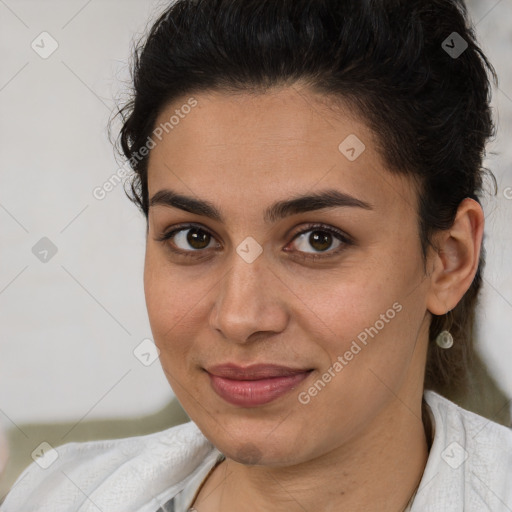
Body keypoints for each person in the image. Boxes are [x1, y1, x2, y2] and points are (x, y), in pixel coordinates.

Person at [2, 0, 512, 510]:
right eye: (193, 237)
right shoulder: (55, 495)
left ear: (449, 259)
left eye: (318, 239)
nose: (239, 317)